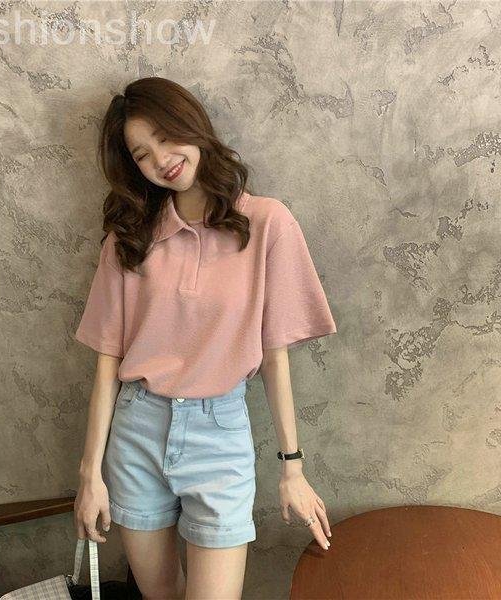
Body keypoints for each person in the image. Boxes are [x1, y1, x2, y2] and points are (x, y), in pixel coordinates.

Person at [73, 76, 337, 600]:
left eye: (166, 137)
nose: (161, 160)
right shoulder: (130, 237)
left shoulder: (266, 222)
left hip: (220, 436)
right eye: (142, 154)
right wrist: (89, 476)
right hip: (137, 430)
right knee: (160, 594)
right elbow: (107, 361)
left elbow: (275, 357)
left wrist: (293, 469)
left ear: (193, 126)